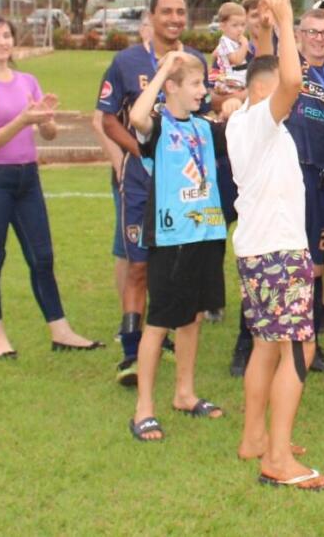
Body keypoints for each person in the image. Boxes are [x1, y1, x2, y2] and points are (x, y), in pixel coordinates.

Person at [227, 0, 324, 491]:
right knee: (298, 348)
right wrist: (288, 23)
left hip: (258, 249)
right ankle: (279, 457)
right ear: (266, 91)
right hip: (276, 252)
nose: (298, 92)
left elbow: (271, 72)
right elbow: (287, 77)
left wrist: (268, 27)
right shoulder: (264, 121)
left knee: (268, 346)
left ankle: (254, 438)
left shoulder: (245, 120)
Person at [96, 0, 220, 386]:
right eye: (166, 11)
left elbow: (205, 111)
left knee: (179, 266)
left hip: (183, 191)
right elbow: (109, 119)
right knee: (137, 266)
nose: (174, 17)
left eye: (181, 11)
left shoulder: (196, 60)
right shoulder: (128, 60)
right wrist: (147, 153)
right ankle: (132, 350)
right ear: (150, 16)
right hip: (140, 182)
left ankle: (165, 337)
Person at [0, 16, 101, 358]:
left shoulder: (28, 80)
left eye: (7, 35)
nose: (2, 42)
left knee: (42, 257)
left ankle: (61, 331)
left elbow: (49, 134)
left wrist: (46, 118)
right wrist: (22, 119)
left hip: (28, 179)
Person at [126, 50, 229, 442]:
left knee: (193, 317)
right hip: (171, 240)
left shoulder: (205, 128)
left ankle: (184, 393)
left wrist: (237, 103)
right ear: (171, 88)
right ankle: (143, 409)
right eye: (197, 84)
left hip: (206, 236)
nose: (204, 91)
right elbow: (136, 118)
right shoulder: (157, 127)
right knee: (159, 323)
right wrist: (165, 69)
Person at [251, 0, 324, 376]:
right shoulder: (289, 61)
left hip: (321, 178)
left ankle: (310, 339)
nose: (319, 39)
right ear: (298, 36)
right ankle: (254, 342)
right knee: (272, 258)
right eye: (310, 32)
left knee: (314, 266)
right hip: (284, 177)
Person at [212, 1, 249, 92]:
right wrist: (244, 45)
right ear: (223, 27)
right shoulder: (225, 41)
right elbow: (236, 60)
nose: (240, 29)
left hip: (240, 75)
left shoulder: (234, 41)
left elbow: (214, 54)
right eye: (235, 25)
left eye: (242, 25)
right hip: (231, 78)